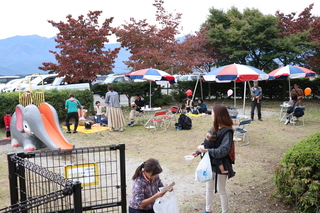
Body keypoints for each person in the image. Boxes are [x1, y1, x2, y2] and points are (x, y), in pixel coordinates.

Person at [191, 104, 235, 213]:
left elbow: (224, 149)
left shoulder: (227, 131)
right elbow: (206, 143)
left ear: (219, 115)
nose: (211, 115)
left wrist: (208, 151)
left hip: (222, 163)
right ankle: (207, 210)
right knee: (209, 188)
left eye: (213, 113)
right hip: (210, 163)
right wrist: (197, 152)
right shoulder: (214, 128)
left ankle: (224, 211)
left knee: (221, 190)